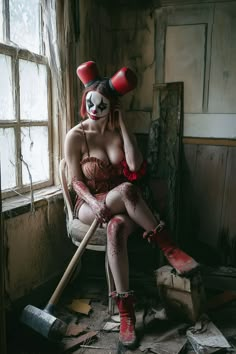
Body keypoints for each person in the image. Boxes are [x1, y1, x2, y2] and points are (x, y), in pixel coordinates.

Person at [64, 61, 199, 348]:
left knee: (115, 227)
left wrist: (122, 122)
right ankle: (168, 245)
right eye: (91, 102)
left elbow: (135, 164)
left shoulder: (115, 130)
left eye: (103, 105)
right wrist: (92, 201)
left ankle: (126, 314)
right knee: (126, 189)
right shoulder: (75, 136)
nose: (95, 109)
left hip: (121, 204)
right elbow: (75, 181)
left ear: (111, 105)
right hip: (88, 204)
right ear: (84, 99)